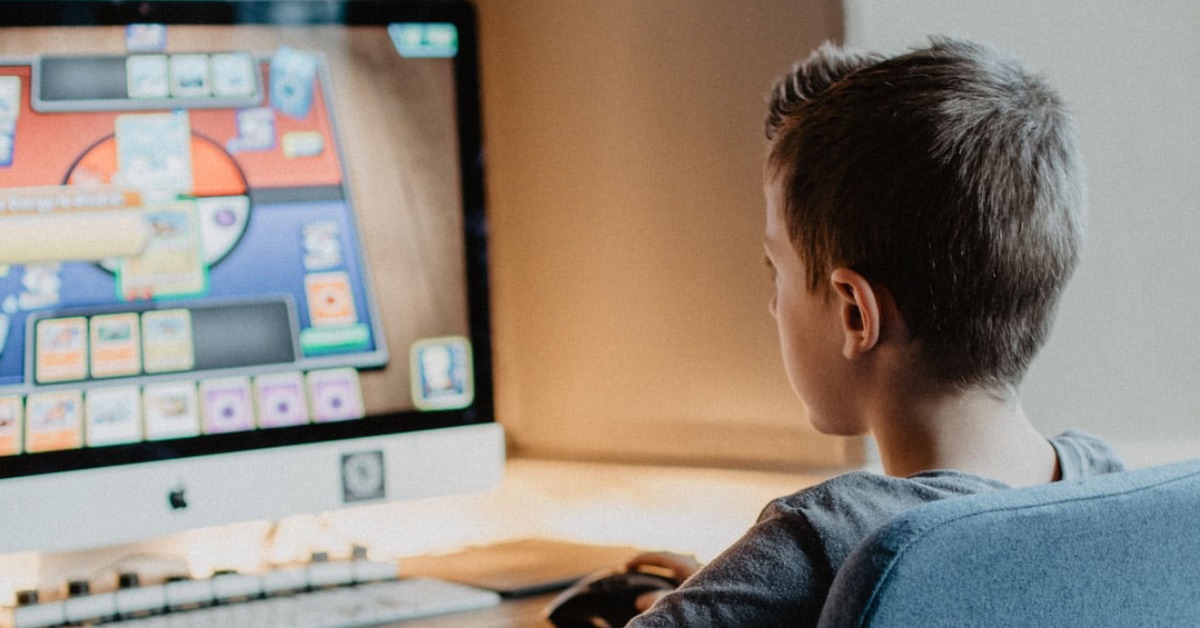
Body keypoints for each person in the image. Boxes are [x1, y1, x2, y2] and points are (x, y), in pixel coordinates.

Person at [625, 37, 1125, 627]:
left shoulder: (826, 540)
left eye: (774, 270)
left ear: (855, 313)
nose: (772, 306)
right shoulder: (1108, 488)